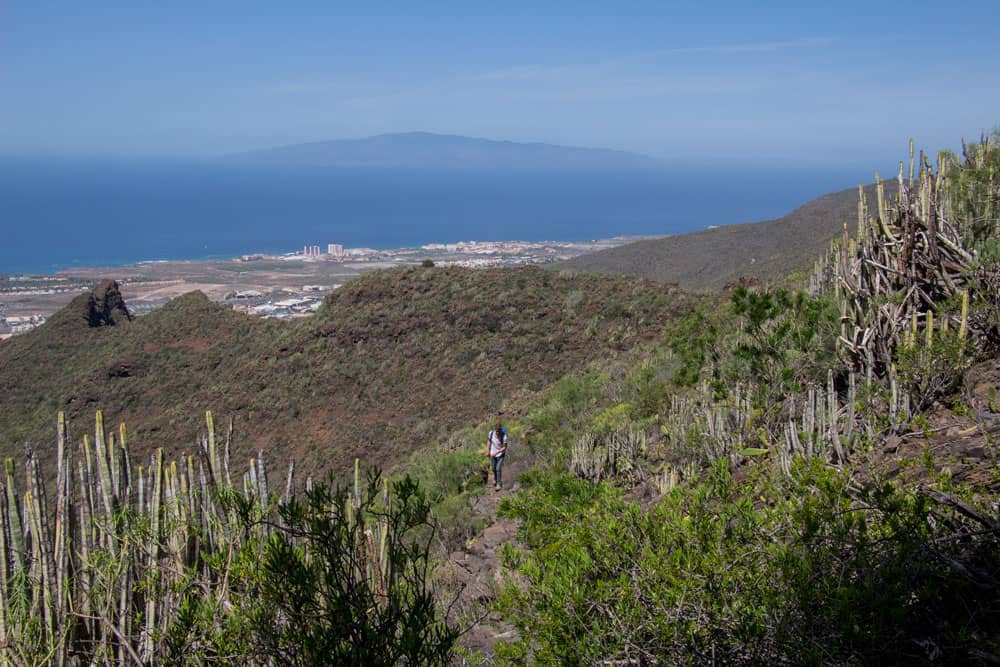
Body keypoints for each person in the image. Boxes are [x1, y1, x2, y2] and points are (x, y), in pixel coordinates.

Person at [485, 421, 508, 491]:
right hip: (492, 454)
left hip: (500, 454)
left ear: (501, 430)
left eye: (499, 431)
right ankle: (495, 478)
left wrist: (497, 452)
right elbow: (489, 441)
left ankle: (498, 483)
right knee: (493, 468)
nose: (498, 433)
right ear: (495, 430)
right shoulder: (491, 433)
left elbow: (504, 447)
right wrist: (487, 450)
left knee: (498, 468)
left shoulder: (504, 436)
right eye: (497, 431)